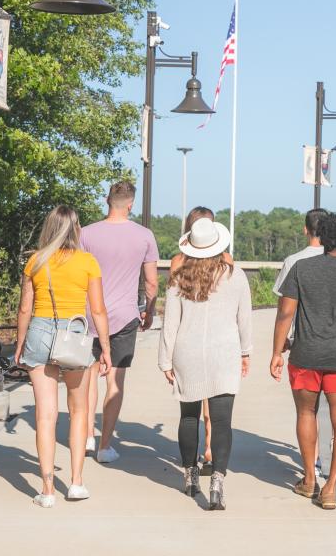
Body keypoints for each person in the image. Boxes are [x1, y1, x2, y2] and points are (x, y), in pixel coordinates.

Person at [270, 213, 336, 511]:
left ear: (321, 237)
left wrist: (277, 352)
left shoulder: (302, 269)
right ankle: (330, 488)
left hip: (306, 355)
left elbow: (285, 314)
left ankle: (308, 480)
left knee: (306, 413)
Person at [14, 205, 112, 507]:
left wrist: (19, 345)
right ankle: (76, 482)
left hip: (40, 334)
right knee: (79, 410)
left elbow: (24, 309)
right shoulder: (87, 262)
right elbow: (97, 310)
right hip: (74, 335)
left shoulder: (36, 261)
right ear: (76, 229)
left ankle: (46, 490)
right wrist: (105, 348)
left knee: (45, 415)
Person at [159, 217, 252, 510]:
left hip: (187, 353)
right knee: (222, 421)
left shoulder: (179, 278)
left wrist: (165, 359)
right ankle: (218, 483)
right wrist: (245, 351)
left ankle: (189, 475)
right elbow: (244, 318)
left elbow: (169, 324)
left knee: (189, 416)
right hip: (224, 352)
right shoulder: (235, 276)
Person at [79, 180, 160, 464]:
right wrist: (149, 311)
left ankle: (86, 435)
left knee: (87, 378)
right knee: (115, 380)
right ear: (131, 204)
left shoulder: (86, 234)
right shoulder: (144, 236)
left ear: (106, 201)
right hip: (125, 315)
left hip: (89, 315)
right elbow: (151, 282)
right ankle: (104, 445)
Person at [170, 206, 216, 468]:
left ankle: (198, 454)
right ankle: (210, 448)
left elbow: (174, 306)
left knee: (190, 407)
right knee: (211, 403)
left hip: (188, 342)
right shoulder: (225, 262)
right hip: (214, 342)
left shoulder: (179, 261)